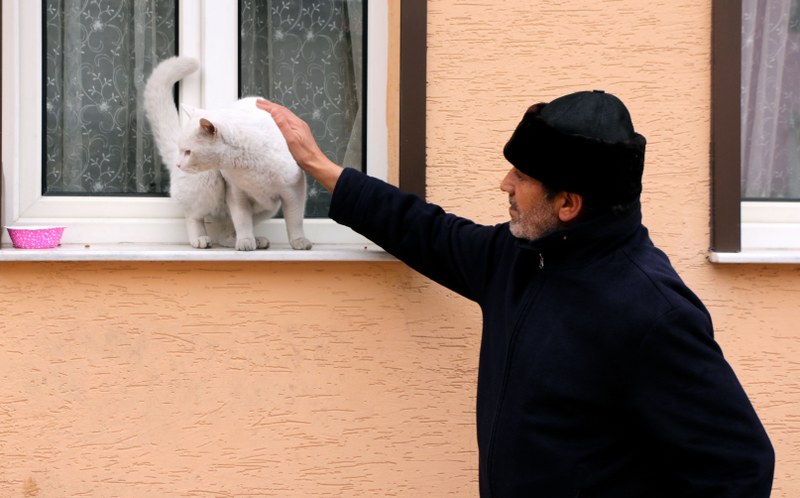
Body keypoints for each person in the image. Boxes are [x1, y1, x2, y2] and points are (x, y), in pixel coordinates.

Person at [256, 91, 775, 497]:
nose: (505, 183)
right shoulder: (521, 256)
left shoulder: (650, 311)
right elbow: (431, 232)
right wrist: (323, 169)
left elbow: (738, 464)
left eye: (522, 176)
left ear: (568, 203)